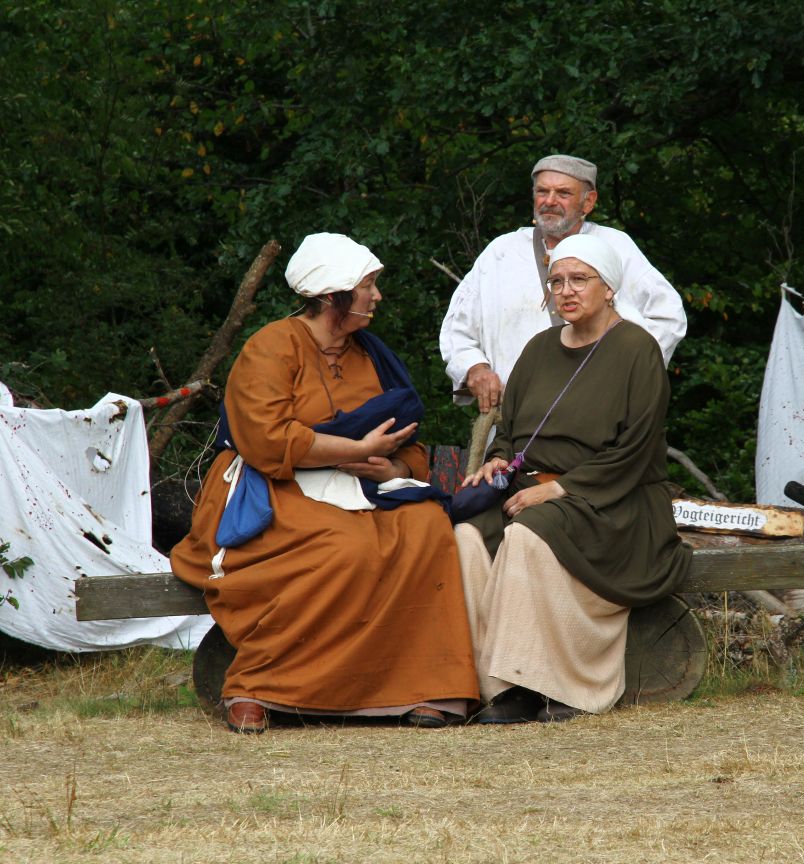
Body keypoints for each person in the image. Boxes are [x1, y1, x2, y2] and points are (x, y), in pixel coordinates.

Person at [171, 233, 478, 733]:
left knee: (427, 527)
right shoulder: (272, 347)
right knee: (344, 547)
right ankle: (259, 686)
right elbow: (266, 440)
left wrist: (396, 470)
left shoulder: (371, 355)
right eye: (368, 286)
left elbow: (408, 441)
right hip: (273, 486)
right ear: (333, 295)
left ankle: (423, 686)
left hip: (364, 489)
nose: (377, 296)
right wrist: (354, 450)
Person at [454, 233, 692, 723]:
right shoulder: (539, 349)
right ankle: (494, 685)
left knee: (528, 533)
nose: (566, 291)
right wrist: (498, 459)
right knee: (467, 535)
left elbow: (636, 448)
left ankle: (543, 682)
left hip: (612, 500)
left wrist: (560, 488)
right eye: (556, 281)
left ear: (609, 288)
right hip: (532, 489)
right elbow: (510, 431)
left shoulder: (637, 349)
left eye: (579, 279)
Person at [439, 154, 687, 413]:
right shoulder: (500, 253)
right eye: (542, 191)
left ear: (588, 201)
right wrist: (475, 368)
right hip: (512, 421)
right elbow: (458, 329)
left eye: (563, 193)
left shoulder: (616, 247)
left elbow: (668, 315)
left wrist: (625, 375)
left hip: (596, 417)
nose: (549, 201)